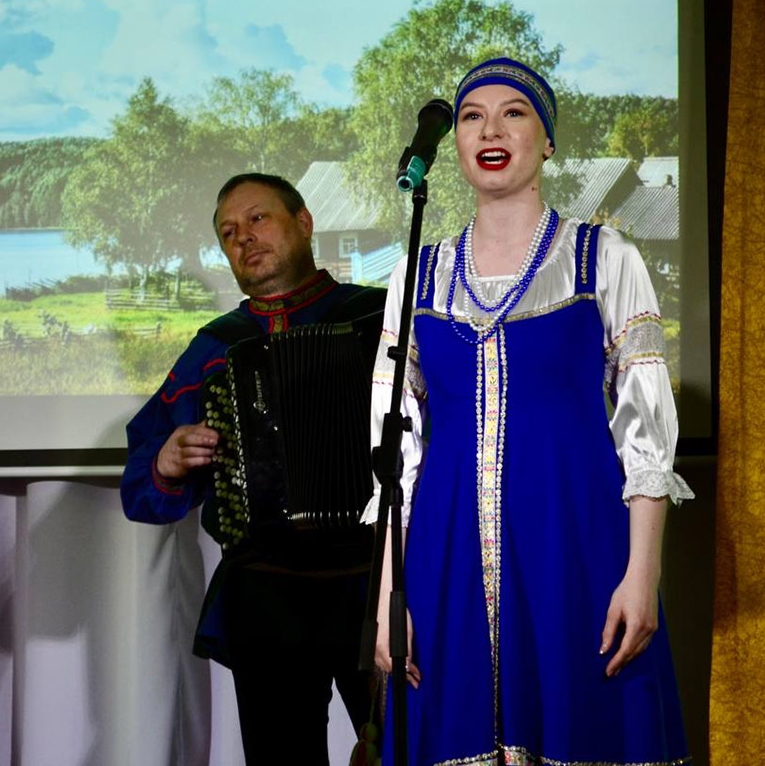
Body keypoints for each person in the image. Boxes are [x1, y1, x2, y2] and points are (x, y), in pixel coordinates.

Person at [370, 57, 692, 765]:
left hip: (574, 542)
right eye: (471, 117)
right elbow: (397, 457)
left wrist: (643, 575)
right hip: (445, 552)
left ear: (546, 141)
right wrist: (391, 594)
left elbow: (646, 437)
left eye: (513, 113)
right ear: (456, 144)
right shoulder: (416, 275)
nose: (490, 130)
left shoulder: (603, 257)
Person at [122, 173, 385, 765]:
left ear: (304, 222)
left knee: (405, 750)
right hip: (268, 597)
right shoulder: (217, 346)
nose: (243, 237)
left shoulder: (382, 315)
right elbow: (141, 485)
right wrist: (166, 460)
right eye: (227, 233)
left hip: (379, 583)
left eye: (258, 219)